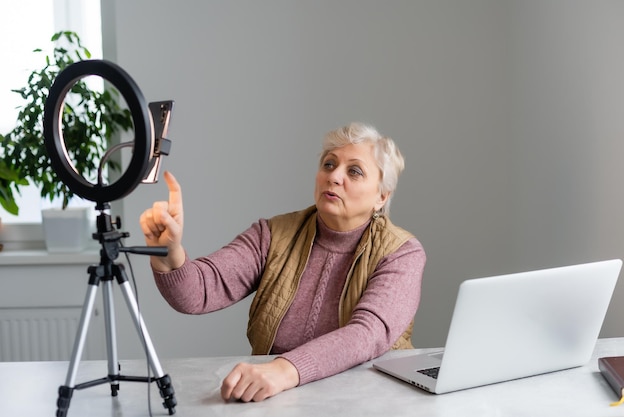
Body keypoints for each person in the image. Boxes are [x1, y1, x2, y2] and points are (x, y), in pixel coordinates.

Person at [139, 122, 426, 402]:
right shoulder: (274, 234)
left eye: (354, 171)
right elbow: (199, 292)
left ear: (382, 196)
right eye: (329, 164)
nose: (334, 176)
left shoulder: (402, 252)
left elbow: (367, 334)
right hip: (281, 400)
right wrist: (170, 252)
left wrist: (283, 370)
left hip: (371, 402)